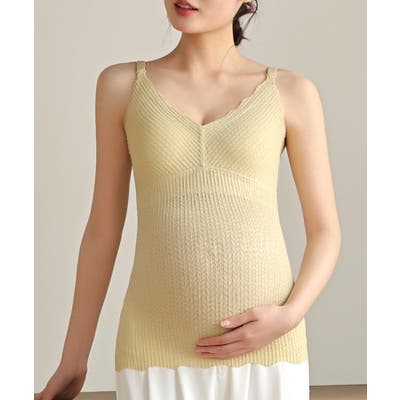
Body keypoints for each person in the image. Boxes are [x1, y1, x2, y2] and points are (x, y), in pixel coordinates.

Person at [35, 0, 342, 399]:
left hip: (267, 352)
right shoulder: (121, 86)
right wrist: (73, 360)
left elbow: (325, 231)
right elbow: (102, 232)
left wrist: (290, 316)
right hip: (153, 354)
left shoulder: (291, 92)